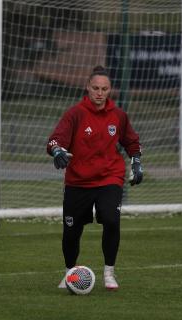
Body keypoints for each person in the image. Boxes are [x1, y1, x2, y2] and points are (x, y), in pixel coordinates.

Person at [46, 65, 143, 291]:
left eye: (105, 89)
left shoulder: (119, 116)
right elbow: (54, 140)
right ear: (87, 87)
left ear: (110, 90)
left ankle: (109, 272)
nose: (100, 93)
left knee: (111, 220)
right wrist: (58, 151)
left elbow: (132, 142)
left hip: (109, 178)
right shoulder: (74, 114)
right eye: (96, 88)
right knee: (71, 231)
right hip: (78, 182)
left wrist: (136, 162)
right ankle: (70, 272)